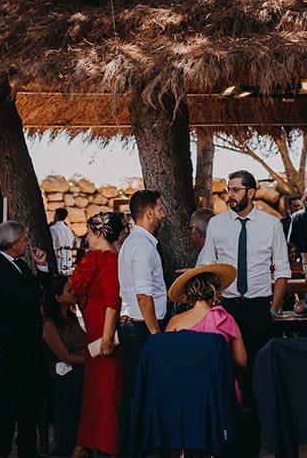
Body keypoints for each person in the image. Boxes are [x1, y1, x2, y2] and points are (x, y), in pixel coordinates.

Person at [196, 171, 291, 369]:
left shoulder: (272, 225)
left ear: (251, 193)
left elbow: (282, 270)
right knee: (226, 365)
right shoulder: (216, 224)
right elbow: (206, 264)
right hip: (226, 306)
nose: (230, 194)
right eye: (228, 189)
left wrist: (273, 309)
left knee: (260, 367)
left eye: (236, 190)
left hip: (259, 308)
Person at [0, 219, 49, 458]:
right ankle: (1, 448)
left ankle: (27, 445)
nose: (26, 243)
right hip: (12, 344)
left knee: (30, 397)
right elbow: (27, 296)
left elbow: (38, 289)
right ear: (13, 243)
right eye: (24, 239)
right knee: (8, 400)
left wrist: (42, 267)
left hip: (28, 344)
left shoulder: (20, 265)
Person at [71, 211, 124, 456]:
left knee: (105, 393)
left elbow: (113, 301)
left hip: (102, 335)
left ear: (99, 232)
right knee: (94, 393)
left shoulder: (111, 261)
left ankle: (103, 444)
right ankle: (88, 442)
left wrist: (105, 338)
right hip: (93, 333)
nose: (87, 237)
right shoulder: (96, 259)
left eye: (89, 232)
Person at [116, 190, 166, 455]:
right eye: (159, 209)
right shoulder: (142, 246)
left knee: (135, 391)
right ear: (148, 212)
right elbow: (143, 293)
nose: (163, 214)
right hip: (140, 327)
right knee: (140, 393)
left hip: (134, 325)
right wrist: (155, 332)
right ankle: (135, 449)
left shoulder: (136, 243)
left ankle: (131, 447)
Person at [165, 263, 247, 400]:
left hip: (184, 392)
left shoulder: (175, 322)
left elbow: (167, 362)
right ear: (215, 292)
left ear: (188, 295)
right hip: (220, 392)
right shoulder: (226, 319)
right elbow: (242, 361)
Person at [41, 274, 88, 457]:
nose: (74, 293)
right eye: (69, 291)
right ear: (58, 297)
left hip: (79, 364)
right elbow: (65, 356)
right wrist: (89, 359)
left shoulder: (72, 318)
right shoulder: (49, 325)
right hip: (62, 371)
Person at [51, 209, 78, 275]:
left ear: (56, 216)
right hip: (68, 258)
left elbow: (52, 243)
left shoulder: (53, 229)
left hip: (57, 257)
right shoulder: (68, 230)